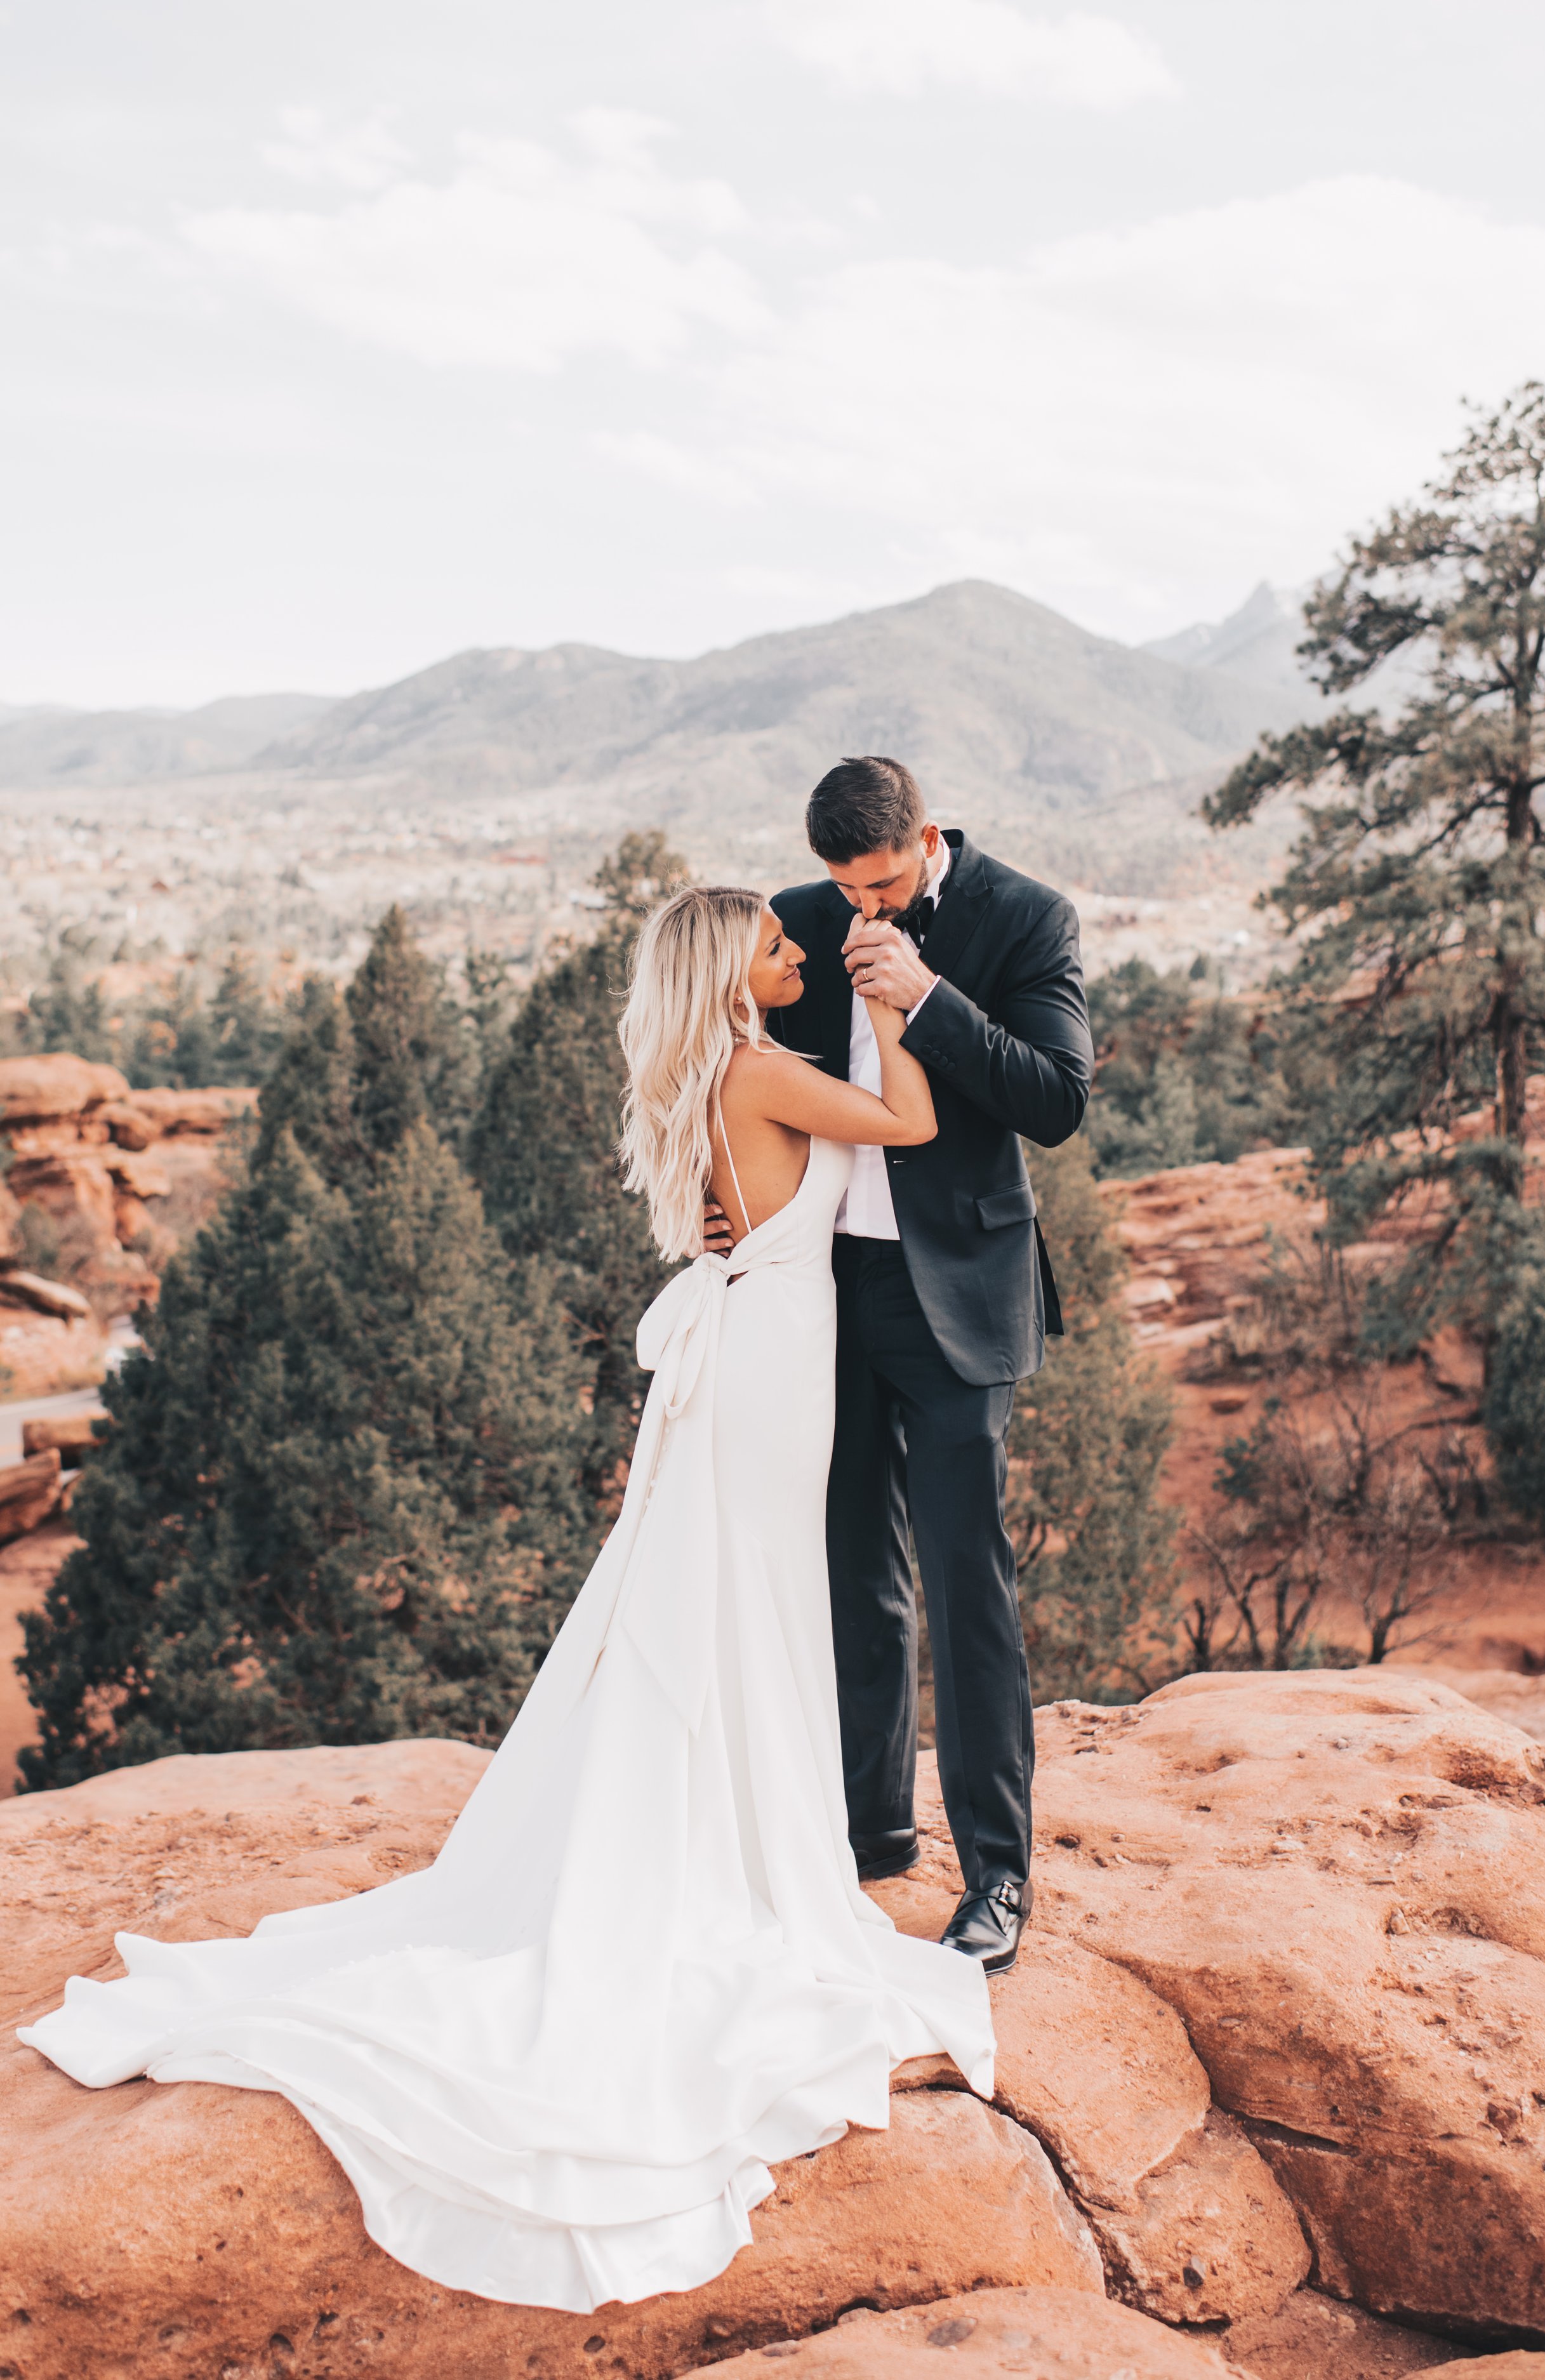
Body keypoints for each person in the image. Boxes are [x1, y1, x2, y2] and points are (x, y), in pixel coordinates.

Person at [18, 884, 994, 2315]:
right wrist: (903, 1010)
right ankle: (740, 1848)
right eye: (778, 945)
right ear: (735, 968)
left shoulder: (693, 1069)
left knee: (730, 1601)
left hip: (750, 1359)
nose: (796, 953)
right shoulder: (763, 1065)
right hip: (776, 1360)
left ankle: (727, 1822)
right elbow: (904, 1130)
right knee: (755, 1604)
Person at [745, 757, 1092, 1978]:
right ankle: (867, 1835)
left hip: (958, 1292)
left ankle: (997, 1874)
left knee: (966, 1581)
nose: (865, 907)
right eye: (846, 887)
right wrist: (717, 1200)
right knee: (852, 1573)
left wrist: (932, 996)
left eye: (884, 880)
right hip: (821, 1292)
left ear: (926, 839)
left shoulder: (1024, 917)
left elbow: (1056, 1102)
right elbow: (726, 1068)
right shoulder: (793, 922)